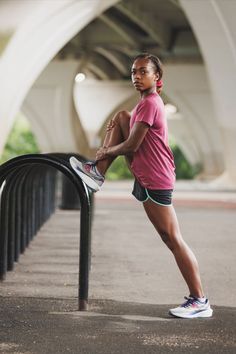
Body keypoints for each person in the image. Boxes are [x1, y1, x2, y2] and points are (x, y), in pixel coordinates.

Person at [70, 53, 213, 319]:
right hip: (148, 175)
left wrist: (105, 150)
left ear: (157, 77)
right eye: (134, 72)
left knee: (173, 239)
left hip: (156, 178)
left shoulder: (151, 104)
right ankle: (97, 174)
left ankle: (199, 300)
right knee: (122, 115)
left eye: (143, 72)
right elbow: (127, 127)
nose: (137, 77)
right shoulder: (143, 104)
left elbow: (133, 145)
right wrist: (117, 131)